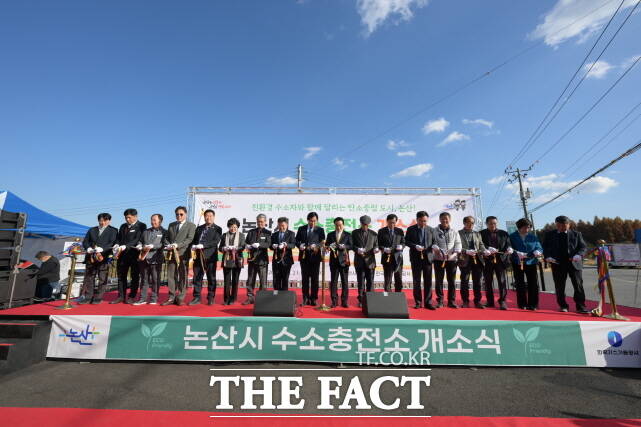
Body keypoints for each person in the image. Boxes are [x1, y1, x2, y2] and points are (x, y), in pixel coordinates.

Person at [543, 215, 589, 313]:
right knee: (559, 286)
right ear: (556, 224)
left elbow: (583, 247)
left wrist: (579, 255)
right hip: (557, 263)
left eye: (563, 225)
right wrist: (547, 257)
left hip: (574, 262)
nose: (561, 227)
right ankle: (563, 305)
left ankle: (581, 306)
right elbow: (545, 248)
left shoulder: (576, 234)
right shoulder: (550, 235)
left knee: (578, 285)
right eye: (558, 225)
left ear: (569, 224)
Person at [77, 213, 118, 304]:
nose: (103, 223)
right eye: (101, 221)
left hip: (104, 257)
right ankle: (88, 296)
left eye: (105, 221)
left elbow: (112, 243)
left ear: (109, 221)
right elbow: (85, 241)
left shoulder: (113, 230)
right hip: (91, 256)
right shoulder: (92, 230)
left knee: (102, 278)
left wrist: (103, 249)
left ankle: (98, 297)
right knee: (89, 277)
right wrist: (88, 248)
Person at [162, 206, 196, 306]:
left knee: (182, 276)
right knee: (171, 276)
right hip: (171, 254)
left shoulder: (191, 225)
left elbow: (189, 239)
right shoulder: (171, 225)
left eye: (181, 214)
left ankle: (180, 298)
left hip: (183, 254)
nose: (179, 216)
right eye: (177, 214)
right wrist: (168, 245)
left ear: (185, 214)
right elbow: (166, 238)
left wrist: (178, 245)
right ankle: (171, 297)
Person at [112, 208, 147, 304]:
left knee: (134, 276)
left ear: (135, 216)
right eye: (126, 218)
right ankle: (121, 296)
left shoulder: (141, 226)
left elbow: (137, 239)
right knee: (121, 276)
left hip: (134, 254)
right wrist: (117, 244)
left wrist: (126, 246)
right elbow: (119, 238)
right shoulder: (123, 226)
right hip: (122, 255)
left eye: (129, 217)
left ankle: (132, 296)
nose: (127, 219)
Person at [189, 209, 222, 305]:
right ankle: (196, 297)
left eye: (210, 216)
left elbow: (215, 241)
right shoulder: (199, 228)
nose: (208, 217)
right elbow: (194, 240)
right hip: (198, 256)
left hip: (210, 257)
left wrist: (203, 245)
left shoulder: (218, 228)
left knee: (211, 278)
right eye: (206, 216)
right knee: (197, 277)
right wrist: (193, 246)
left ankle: (211, 297)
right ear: (204, 217)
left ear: (214, 217)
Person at [509, 218, 543, 310]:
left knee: (533, 283)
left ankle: (533, 304)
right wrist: (516, 252)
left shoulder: (533, 237)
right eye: (525, 227)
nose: (527, 229)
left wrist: (537, 252)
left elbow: (539, 248)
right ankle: (522, 304)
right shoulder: (512, 236)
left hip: (531, 262)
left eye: (529, 227)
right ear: (519, 227)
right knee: (519, 283)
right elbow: (509, 248)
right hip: (517, 262)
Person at [480, 216, 513, 310]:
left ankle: (502, 301)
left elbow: (508, 243)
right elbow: (479, 244)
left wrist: (509, 248)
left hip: (500, 260)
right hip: (487, 260)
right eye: (490, 223)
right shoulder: (481, 233)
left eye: (494, 223)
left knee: (502, 281)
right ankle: (490, 301)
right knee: (488, 281)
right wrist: (487, 248)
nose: (493, 225)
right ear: (486, 224)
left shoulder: (503, 233)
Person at [405, 211, 436, 309]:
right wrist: (415, 246)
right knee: (416, 281)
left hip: (428, 258)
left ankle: (428, 302)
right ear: (417, 220)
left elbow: (434, 242)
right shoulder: (411, 229)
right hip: (416, 258)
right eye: (421, 221)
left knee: (428, 281)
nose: (423, 223)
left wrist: (434, 246)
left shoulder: (431, 229)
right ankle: (418, 302)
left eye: (425, 221)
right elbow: (406, 241)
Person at [134, 214, 166, 305]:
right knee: (144, 279)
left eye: (154, 220)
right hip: (144, 258)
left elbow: (164, 244)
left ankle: (154, 298)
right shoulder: (146, 231)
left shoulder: (164, 232)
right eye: (151, 220)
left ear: (160, 221)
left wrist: (154, 246)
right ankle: (142, 298)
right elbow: (140, 241)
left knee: (155, 280)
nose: (152, 222)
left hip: (156, 259)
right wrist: (139, 245)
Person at [431, 212, 462, 308]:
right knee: (439, 280)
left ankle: (451, 301)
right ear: (439, 219)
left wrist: (454, 254)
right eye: (443, 218)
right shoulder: (434, 231)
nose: (444, 220)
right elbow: (432, 242)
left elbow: (458, 243)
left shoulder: (454, 231)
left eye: (446, 219)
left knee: (452, 281)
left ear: (450, 219)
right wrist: (437, 251)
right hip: (438, 259)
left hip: (452, 260)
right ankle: (440, 301)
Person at [295, 212, 325, 306]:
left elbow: (322, 242)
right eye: (311, 221)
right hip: (304, 257)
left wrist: (316, 246)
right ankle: (305, 298)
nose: (313, 223)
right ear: (308, 220)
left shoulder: (320, 230)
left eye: (315, 221)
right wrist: (300, 245)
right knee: (305, 279)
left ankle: (314, 298)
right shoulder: (301, 229)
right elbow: (296, 241)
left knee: (315, 279)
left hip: (315, 257)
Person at [458, 216, 486, 309]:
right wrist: (466, 251)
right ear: (464, 223)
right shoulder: (459, 233)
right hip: (464, 259)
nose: (471, 224)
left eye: (472, 223)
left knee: (477, 281)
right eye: (468, 222)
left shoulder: (477, 233)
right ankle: (465, 301)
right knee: (464, 281)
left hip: (477, 259)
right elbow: (457, 246)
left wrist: (484, 250)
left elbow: (481, 244)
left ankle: (477, 301)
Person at [351, 215, 379, 307]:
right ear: (361, 223)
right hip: (359, 261)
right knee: (361, 281)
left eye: (366, 224)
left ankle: (370, 300)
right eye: (363, 224)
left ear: (369, 224)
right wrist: (357, 249)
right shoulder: (355, 233)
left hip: (370, 261)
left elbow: (376, 245)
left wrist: (376, 249)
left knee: (370, 281)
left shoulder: (374, 234)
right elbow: (351, 245)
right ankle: (361, 300)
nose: (365, 226)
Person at [243, 213, 271, 305]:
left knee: (263, 282)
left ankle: (261, 299)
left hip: (262, 261)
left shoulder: (268, 233)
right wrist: (247, 246)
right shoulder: (251, 232)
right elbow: (246, 242)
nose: (260, 223)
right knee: (250, 280)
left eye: (262, 222)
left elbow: (269, 244)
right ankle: (250, 298)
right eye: (258, 222)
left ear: (265, 222)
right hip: (252, 260)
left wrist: (260, 244)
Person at [326, 217, 352, 307]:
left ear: (343, 225)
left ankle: (344, 301)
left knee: (345, 282)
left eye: (340, 225)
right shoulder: (330, 234)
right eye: (336, 225)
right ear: (334, 225)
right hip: (334, 261)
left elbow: (351, 246)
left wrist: (344, 246)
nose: (338, 227)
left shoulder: (348, 235)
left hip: (344, 261)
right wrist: (330, 246)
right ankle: (334, 301)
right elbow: (327, 245)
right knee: (333, 282)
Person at [219, 218, 245, 305]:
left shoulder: (241, 235)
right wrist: (224, 248)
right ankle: (226, 299)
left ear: (237, 227)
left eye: (235, 227)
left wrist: (236, 248)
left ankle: (233, 299)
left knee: (235, 280)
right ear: (228, 227)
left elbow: (243, 246)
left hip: (237, 260)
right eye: (231, 227)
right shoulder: (224, 235)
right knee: (227, 281)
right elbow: (220, 248)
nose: (233, 229)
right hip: (227, 259)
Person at [377, 214, 405, 293]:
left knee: (398, 277)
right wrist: (384, 249)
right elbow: (378, 244)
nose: (392, 224)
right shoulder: (381, 231)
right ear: (387, 221)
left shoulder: (399, 231)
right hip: (387, 257)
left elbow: (403, 242)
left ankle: (398, 295)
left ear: (396, 222)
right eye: (390, 222)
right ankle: (388, 295)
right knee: (388, 278)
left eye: (394, 222)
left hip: (397, 258)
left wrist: (401, 246)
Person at [270, 217, 297, 291]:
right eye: (279, 225)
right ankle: (276, 295)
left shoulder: (291, 233)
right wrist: (273, 246)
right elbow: (270, 246)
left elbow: (293, 245)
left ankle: (284, 295)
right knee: (276, 279)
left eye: (283, 225)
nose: (281, 227)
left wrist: (286, 245)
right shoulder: (274, 234)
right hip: (276, 260)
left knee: (285, 279)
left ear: (287, 225)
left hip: (287, 260)